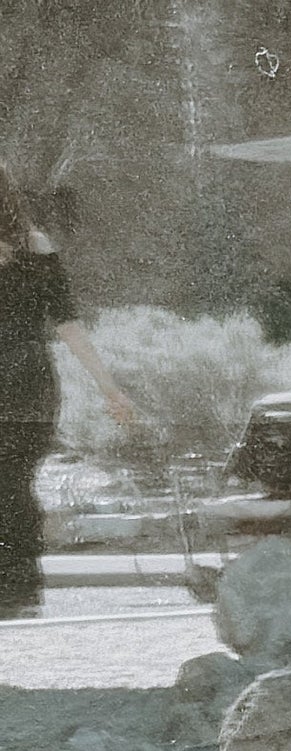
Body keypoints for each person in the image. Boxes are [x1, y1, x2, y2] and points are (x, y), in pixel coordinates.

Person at [0, 163, 136, 620]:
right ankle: (19, 590)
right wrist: (109, 388)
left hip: (17, 381)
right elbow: (69, 326)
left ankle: (14, 591)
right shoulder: (38, 250)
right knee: (16, 485)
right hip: (33, 383)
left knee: (12, 485)